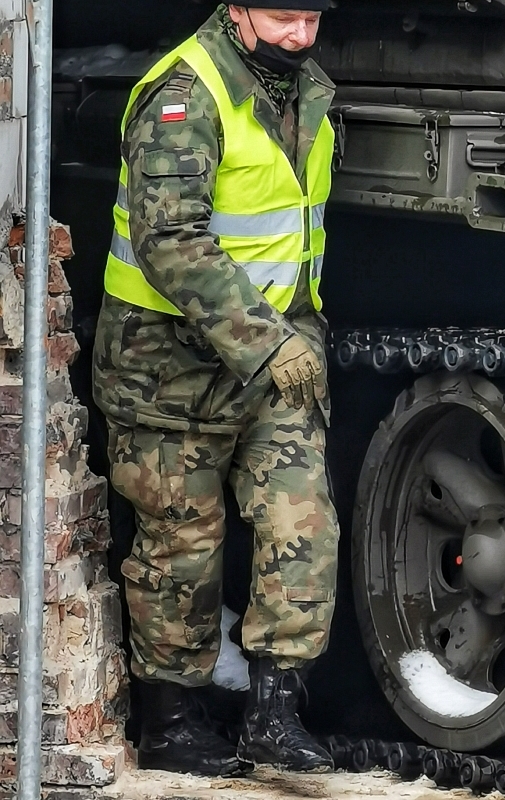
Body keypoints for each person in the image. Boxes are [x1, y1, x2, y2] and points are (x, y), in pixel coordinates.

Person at [92, 1, 339, 777]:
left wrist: (299, 335)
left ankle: (275, 713)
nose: (300, 36)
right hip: (168, 370)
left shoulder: (303, 90)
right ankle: (170, 724)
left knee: (304, 526)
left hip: (272, 365)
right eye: (283, 18)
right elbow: (169, 240)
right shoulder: (186, 94)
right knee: (181, 549)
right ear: (236, 10)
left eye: (311, 19)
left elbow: (293, 233)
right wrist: (268, 341)